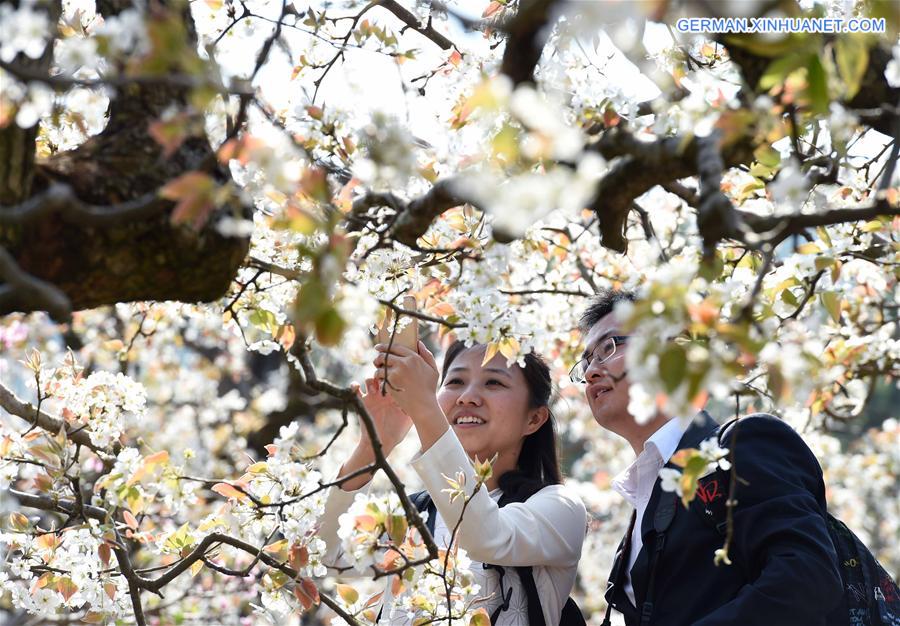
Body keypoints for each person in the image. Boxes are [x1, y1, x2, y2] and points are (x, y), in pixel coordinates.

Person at [573, 288, 843, 626]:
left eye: (607, 348)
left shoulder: (742, 444)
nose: (590, 372)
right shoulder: (644, 500)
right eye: (586, 362)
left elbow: (806, 578)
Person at [319, 339, 587, 625]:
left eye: (494, 383)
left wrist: (423, 409)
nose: (467, 397)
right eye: (456, 381)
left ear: (534, 419)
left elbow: (488, 537)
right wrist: (373, 445)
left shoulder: (560, 507)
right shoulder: (417, 513)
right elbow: (332, 555)